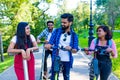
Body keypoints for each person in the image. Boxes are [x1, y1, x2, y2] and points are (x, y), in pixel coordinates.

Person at [45, 13, 79, 80]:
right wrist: (49, 45)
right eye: (61, 22)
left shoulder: (74, 35)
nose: (62, 24)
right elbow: (51, 42)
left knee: (66, 77)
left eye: (64, 22)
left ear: (70, 23)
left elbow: (75, 50)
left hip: (67, 60)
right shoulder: (56, 31)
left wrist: (71, 48)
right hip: (56, 58)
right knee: (54, 77)